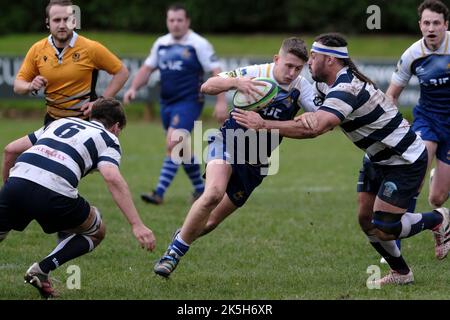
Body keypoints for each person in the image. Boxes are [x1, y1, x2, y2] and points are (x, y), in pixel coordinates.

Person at [232, 33, 450, 286]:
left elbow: (316, 128)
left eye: (313, 57)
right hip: (376, 157)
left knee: (385, 226)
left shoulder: (346, 88)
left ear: (329, 60)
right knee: (365, 220)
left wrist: (264, 124)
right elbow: (311, 117)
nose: (309, 63)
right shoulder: (325, 84)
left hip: (404, 159)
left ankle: (438, 219)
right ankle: (402, 273)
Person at [153, 37, 317, 278]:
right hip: (227, 142)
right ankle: (172, 255)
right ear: (276, 59)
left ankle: (182, 235)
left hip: (255, 163)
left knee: (208, 223)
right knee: (212, 194)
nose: (292, 73)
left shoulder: (301, 88)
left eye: (298, 68)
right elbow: (207, 85)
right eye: (288, 65)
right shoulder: (256, 73)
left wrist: (277, 124)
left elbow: (319, 123)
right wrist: (236, 82)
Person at [0, 98, 156, 299]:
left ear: (92, 115)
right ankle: (41, 269)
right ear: (116, 127)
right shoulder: (109, 139)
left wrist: (9, 188)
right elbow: (111, 176)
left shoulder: (60, 122)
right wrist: (137, 224)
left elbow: (10, 149)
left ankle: (40, 270)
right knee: (96, 231)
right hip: (54, 193)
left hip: (17, 183)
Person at [9, 0, 129, 242]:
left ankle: (71, 221)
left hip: (82, 125)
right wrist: (30, 84)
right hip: (52, 122)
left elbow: (121, 71)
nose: (62, 25)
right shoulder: (37, 50)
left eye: (67, 19)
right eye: (56, 20)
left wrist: (100, 101)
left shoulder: (90, 48)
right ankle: (13, 201)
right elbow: (18, 85)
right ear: (48, 23)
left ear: (74, 21)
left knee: (64, 174)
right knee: (12, 153)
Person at [123, 3, 228, 205]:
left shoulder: (199, 44)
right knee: (181, 148)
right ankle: (200, 188)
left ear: (187, 21)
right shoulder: (161, 43)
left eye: (180, 20)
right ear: (167, 21)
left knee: (173, 142)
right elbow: (146, 69)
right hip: (167, 103)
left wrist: (221, 101)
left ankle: (159, 193)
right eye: (171, 20)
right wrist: (133, 88)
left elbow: (217, 72)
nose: (176, 24)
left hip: (189, 102)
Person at [386, 0, 449, 209]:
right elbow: (392, 95)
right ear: (420, 25)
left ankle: (437, 184)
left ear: (446, 25)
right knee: (415, 179)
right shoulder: (412, 54)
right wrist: (395, 125)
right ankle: (399, 232)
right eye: (426, 23)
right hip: (427, 119)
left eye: (436, 23)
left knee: (437, 199)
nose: (431, 28)